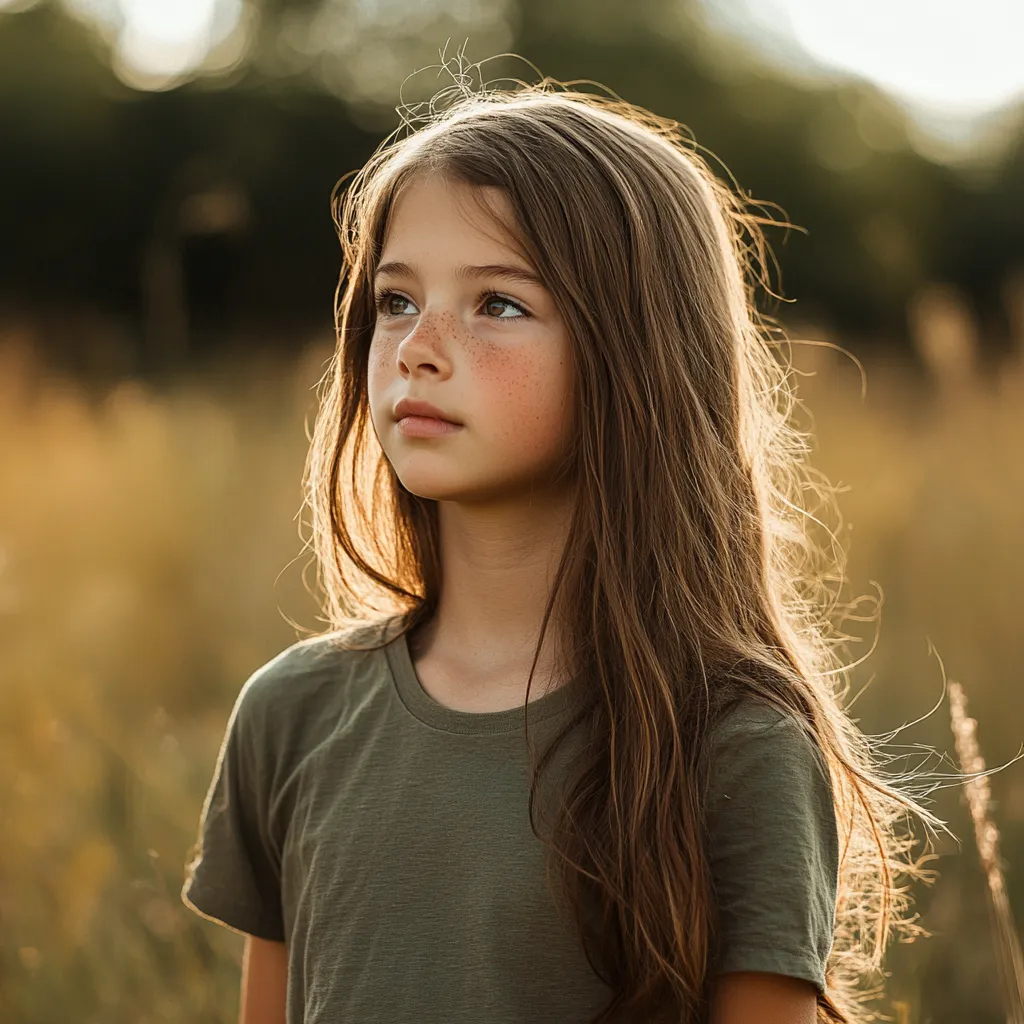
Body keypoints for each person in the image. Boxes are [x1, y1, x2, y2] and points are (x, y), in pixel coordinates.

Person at [180, 75, 942, 1024]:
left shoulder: (732, 746)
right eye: (396, 299)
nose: (417, 346)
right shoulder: (290, 714)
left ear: (636, 353)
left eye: (497, 303)